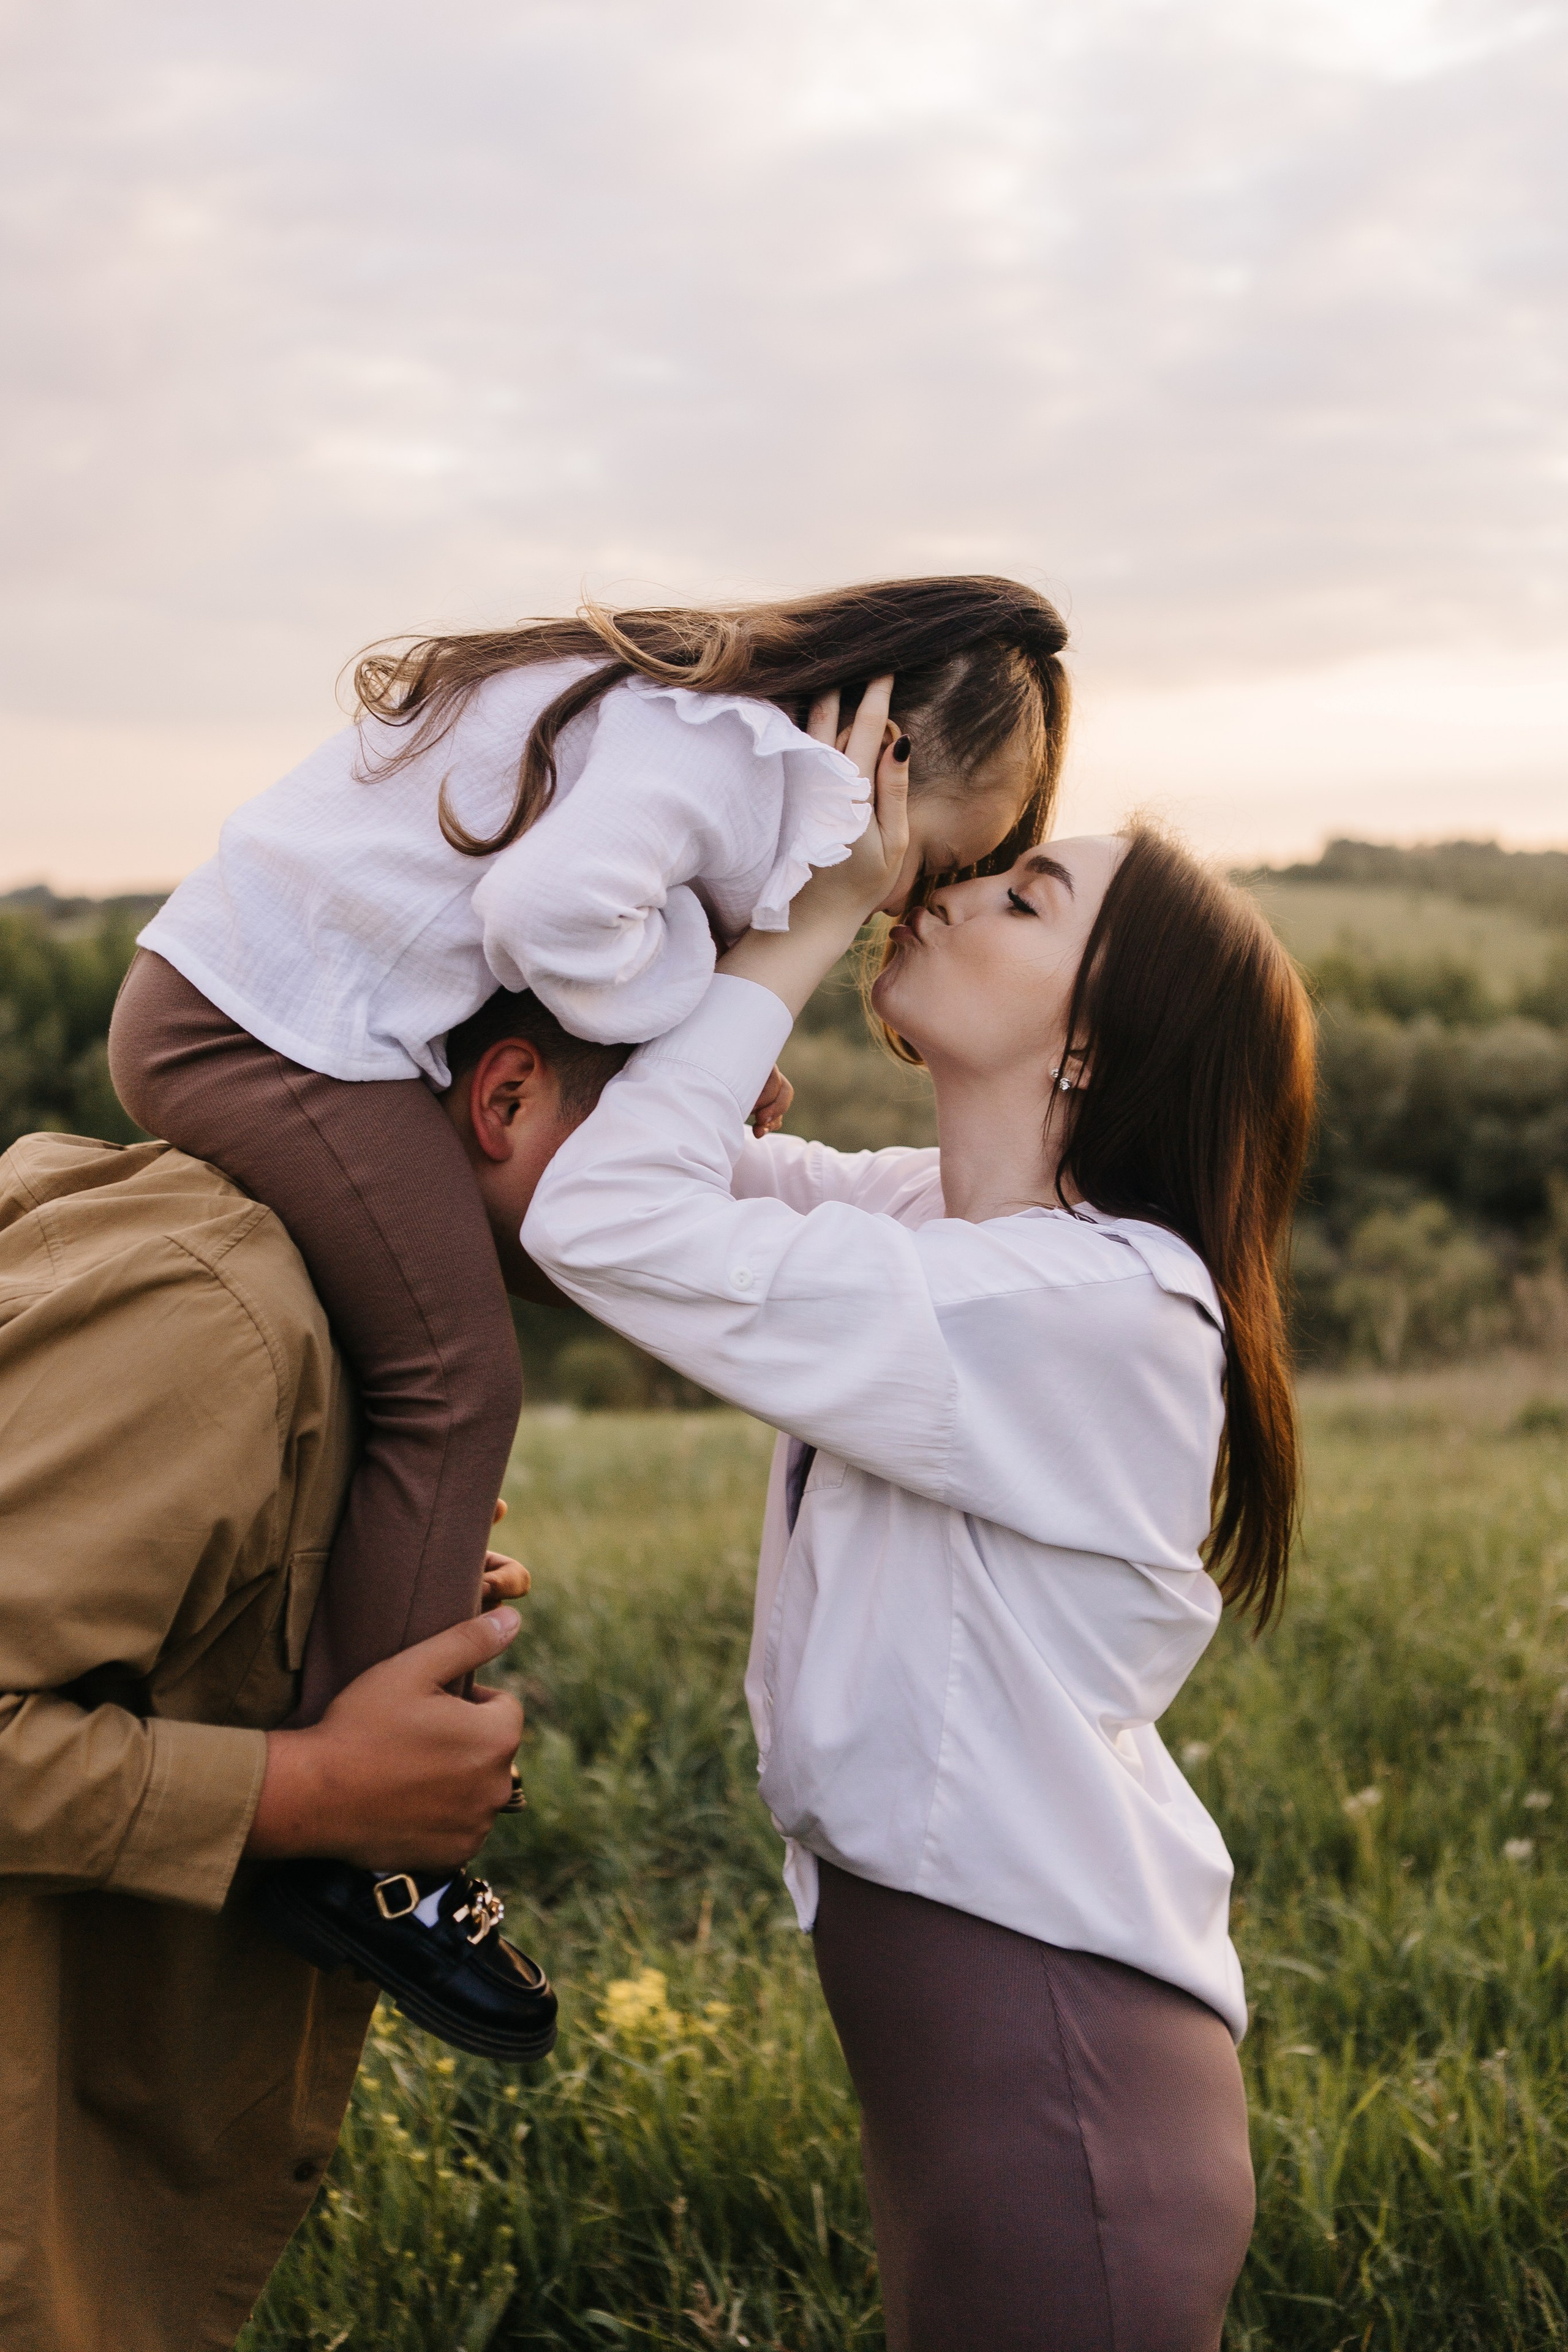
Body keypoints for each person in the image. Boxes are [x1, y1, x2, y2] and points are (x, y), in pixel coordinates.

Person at [521, 683, 1317, 2351]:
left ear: (1091, 1046)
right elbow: (605, 1157)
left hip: (1058, 2074)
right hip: (982, 2057)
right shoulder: (940, 1232)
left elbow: (605, 1218)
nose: (948, 890)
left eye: (1024, 897)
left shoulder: (1080, 1308)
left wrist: (815, 916)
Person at [107, 576, 1071, 1769]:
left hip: (274, 1011)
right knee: (456, 1383)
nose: (907, 894)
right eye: (936, 856)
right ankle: (370, 1793)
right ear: (888, 753)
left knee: (397, 1352)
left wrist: (701, 1036)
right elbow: (547, 919)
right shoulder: (723, 758)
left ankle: (336, 1667)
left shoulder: (689, 726)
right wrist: (702, 1008)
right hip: (253, 1032)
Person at [0, 989, 620, 2352]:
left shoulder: (308, 1318)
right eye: (703, 1127)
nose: (736, 1184)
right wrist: (314, 1793)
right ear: (508, 1099)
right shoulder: (214, 1319)